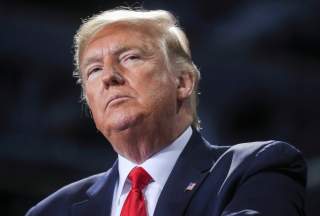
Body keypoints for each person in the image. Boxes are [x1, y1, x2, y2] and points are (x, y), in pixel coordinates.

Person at [26, 7, 307, 216]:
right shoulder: (51, 211)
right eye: (94, 70)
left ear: (183, 82)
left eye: (130, 57)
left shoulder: (255, 169)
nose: (108, 76)